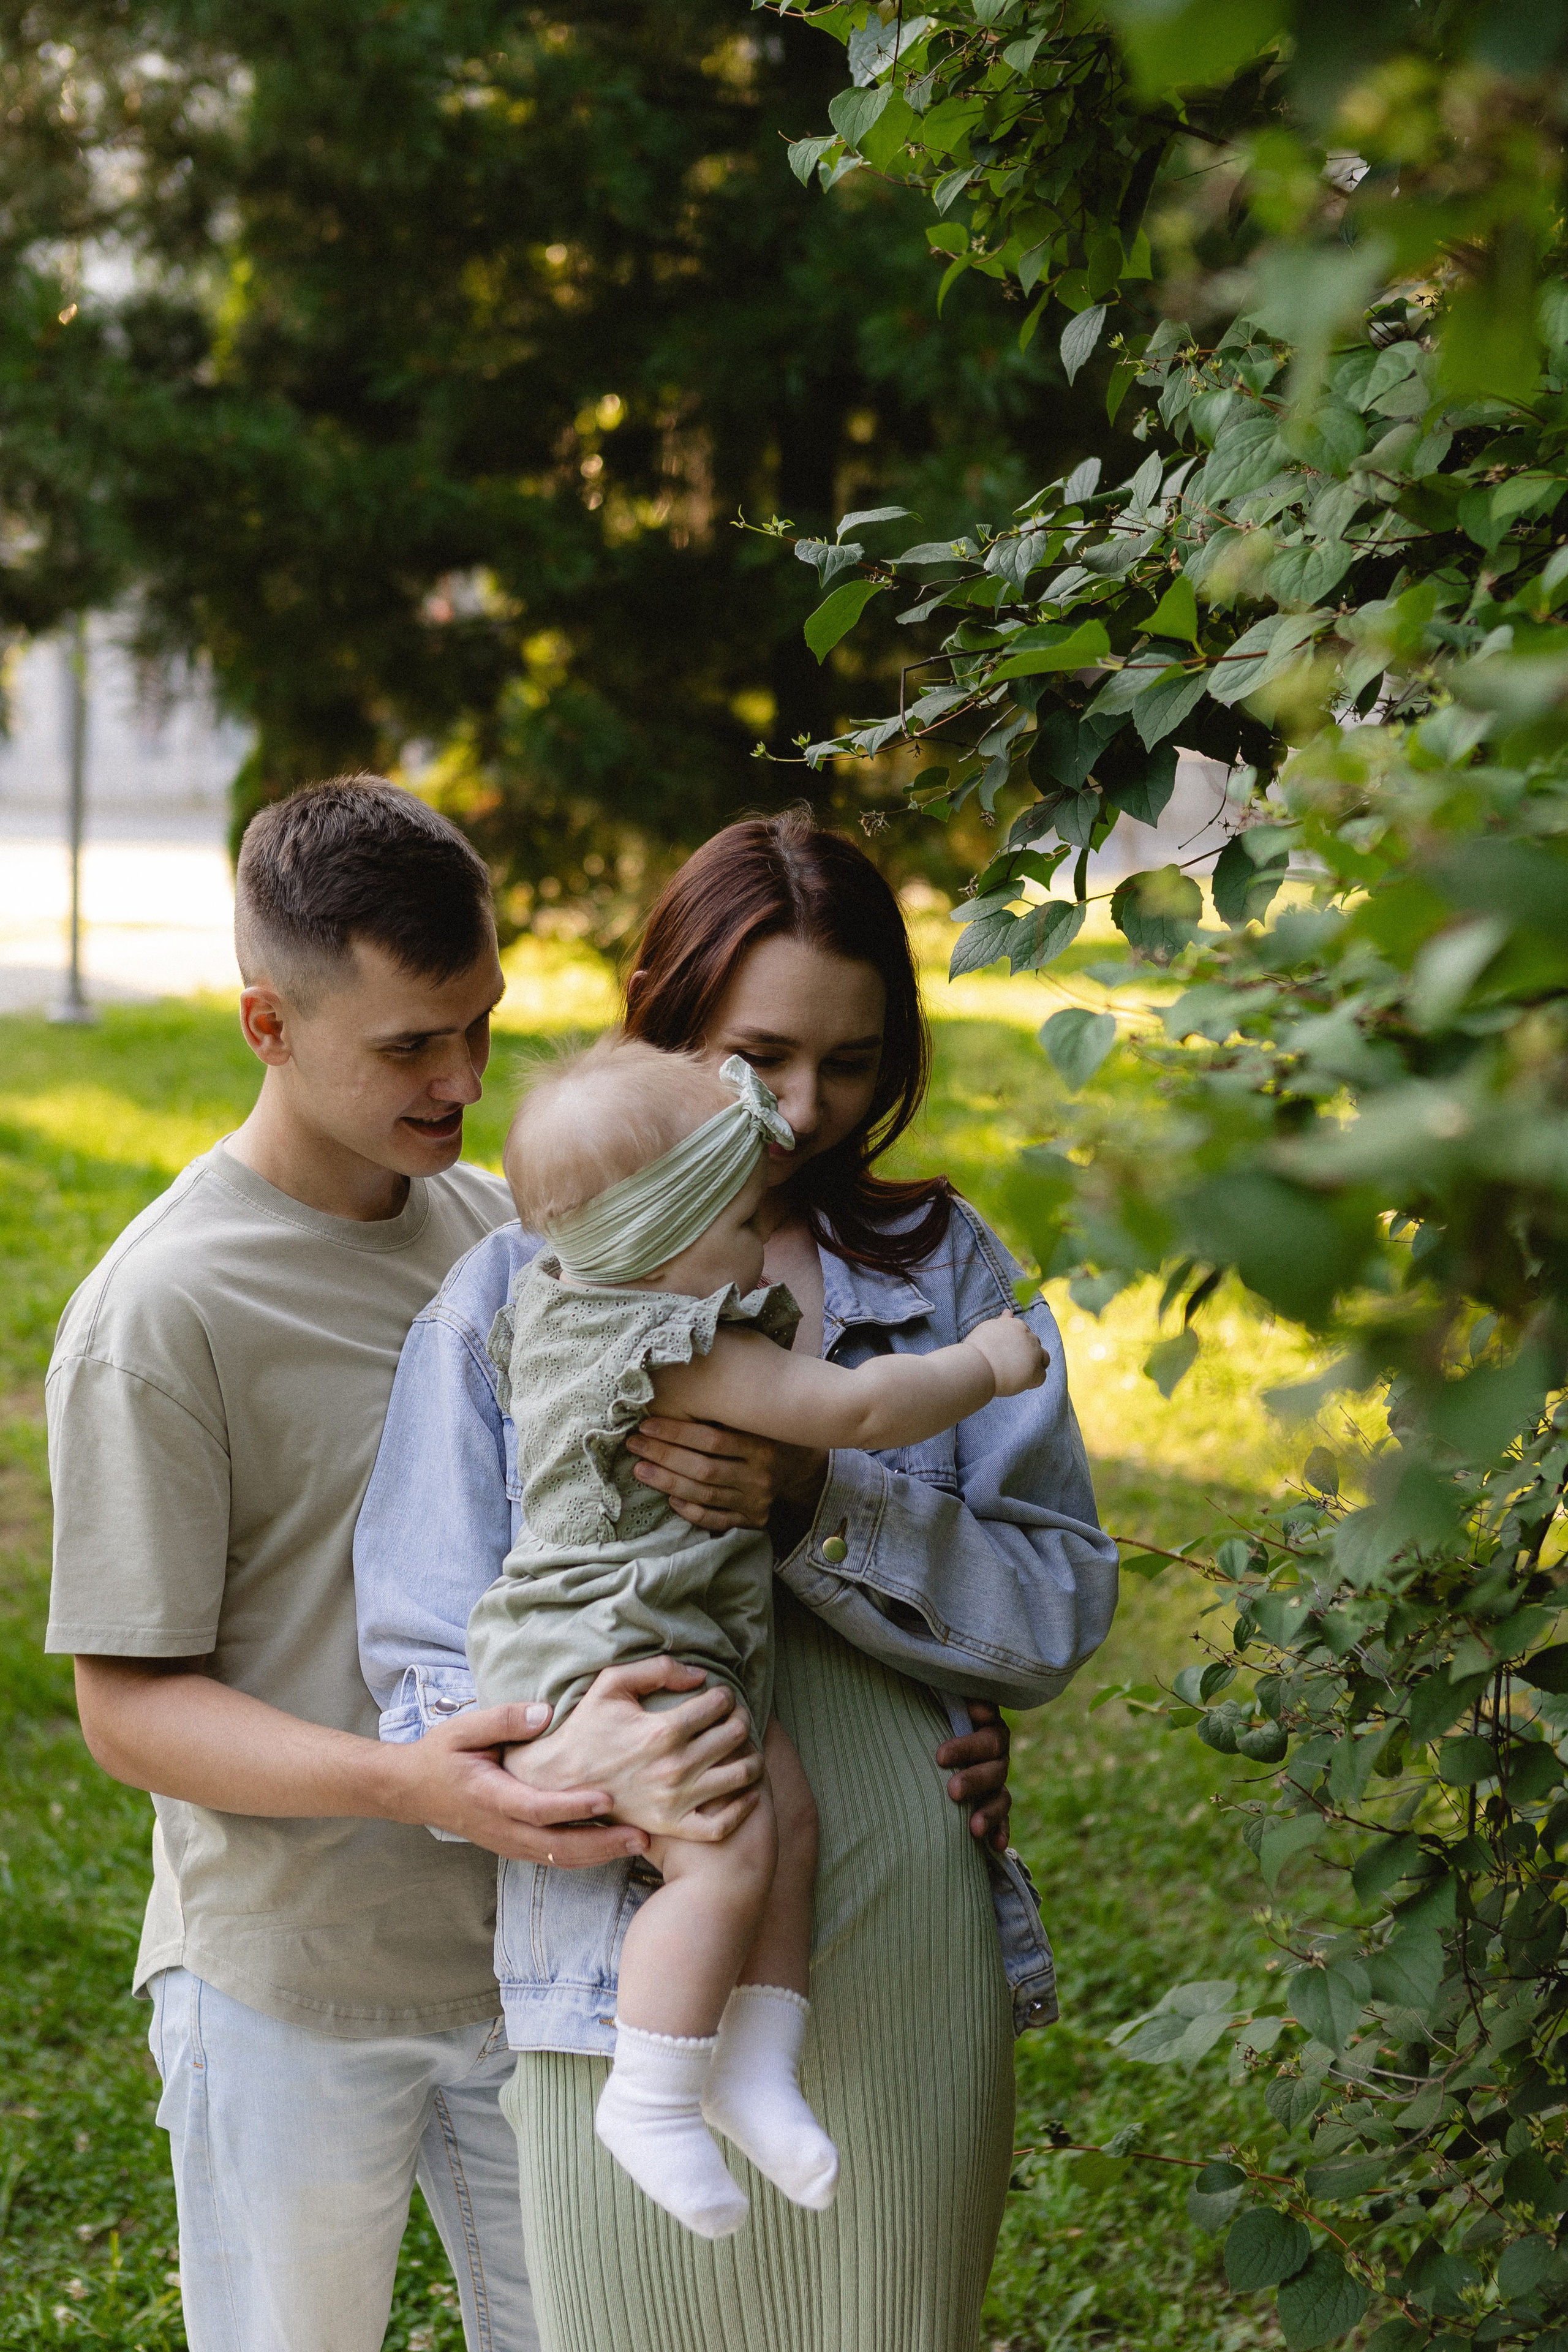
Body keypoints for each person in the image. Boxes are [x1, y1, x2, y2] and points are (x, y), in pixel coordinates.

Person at [355, 809, 1119, 2352]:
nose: (805, 1110)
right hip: (615, 1945)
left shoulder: (942, 1271)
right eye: (759, 1058)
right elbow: (421, 1661)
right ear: (669, 1022)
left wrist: (815, 1507)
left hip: (898, 1921)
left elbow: (1055, 1604)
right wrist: (563, 1763)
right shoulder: (518, 1286)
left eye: (850, 1062)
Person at [43, 777, 773, 2352]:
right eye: (408, 1047)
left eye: (483, 1025)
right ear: (267, 1023)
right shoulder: (162, 1313)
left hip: (549, 1967)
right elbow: (127, 1710)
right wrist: (416, 1784)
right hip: (292, 1989)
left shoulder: (514, 1235)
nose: (462, 1081)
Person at [475, 1036, 1047, 2238]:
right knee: (726, 1853)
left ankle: (754, 2061)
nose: (758, 1243)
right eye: (740, 1222)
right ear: (662, 1243)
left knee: (781, 1809)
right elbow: (853, 1407)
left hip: (657, 1638)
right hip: (613, 1650)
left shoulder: (572, 1299)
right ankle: (653, 2090)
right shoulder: (666, 1345)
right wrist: (984, 1363)